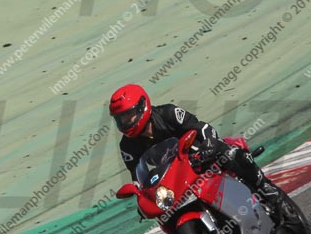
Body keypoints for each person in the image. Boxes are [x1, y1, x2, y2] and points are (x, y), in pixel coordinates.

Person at [109, 83, 282, 224]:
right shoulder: (127, 146)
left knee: (232, 156)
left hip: (200, 155)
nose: (125, 122)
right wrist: (141, 196)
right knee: (164, 212)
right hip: (174, 175)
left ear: (142, 107)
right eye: (120, 118)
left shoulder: (168, 113)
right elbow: (137, 175)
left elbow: (201, 127)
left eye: (128, 115)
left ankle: (264, 188)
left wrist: (208, 144)